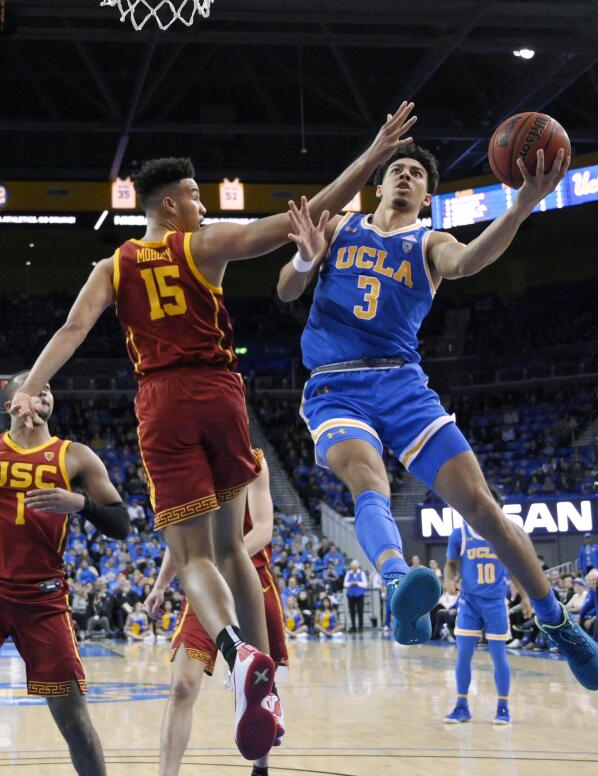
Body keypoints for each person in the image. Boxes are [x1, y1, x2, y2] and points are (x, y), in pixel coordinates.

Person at [11, 102, 417, 759]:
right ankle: (263, 686)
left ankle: (236, 655)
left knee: (195, 557)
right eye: (195, 197)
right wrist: (369, 157)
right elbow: (303, 218)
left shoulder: (111, 267)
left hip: (162, 401)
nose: (201, 205)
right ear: (169, 204)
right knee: (233, 553)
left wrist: (30, 383)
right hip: (223, 396)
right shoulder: (205, 246)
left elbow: (71, 331)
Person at [278, 136, 598, 690]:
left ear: (428, 195)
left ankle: (558, 621)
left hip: (403, 385)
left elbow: (468, 262)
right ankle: (397, 582)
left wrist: (523, 203)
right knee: (367, 477)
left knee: (482, 506)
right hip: (336, 386)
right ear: (379, 185)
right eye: (397, 170)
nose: (405, 176)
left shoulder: (430, 241)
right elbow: (288, 291)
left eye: (415, 173)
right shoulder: (339, 226)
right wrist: (304, 257)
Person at [0, 373, 130, 776]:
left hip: (43, 601)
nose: (42, 391)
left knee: (74, 721)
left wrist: (80, 503)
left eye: (47, 388)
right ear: (10, 403)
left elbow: (120, 524)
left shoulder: (76, 456)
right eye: (31, 386)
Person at [145, 454, 288, 776]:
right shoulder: (185, 462)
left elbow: (263, 530)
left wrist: (223, 560)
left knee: (261, 685)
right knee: (181, 686)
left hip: (251, 578)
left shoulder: (253, 460)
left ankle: (260, 769)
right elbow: (182, 539)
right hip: (204, 587)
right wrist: (160, 585)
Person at [443, 491, 530, 725]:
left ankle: (503, 707)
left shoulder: (503, 534)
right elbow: (450, 564)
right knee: (463, 654)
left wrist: (525, 598)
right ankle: (461, 705)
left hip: (495, 603)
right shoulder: (459, 533)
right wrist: (448, 581)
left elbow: (515, 569)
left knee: (498, 655)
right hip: (469, 602)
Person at [343, 559, 368, 633]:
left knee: (360, 610)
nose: (354, 569)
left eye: (355, 567)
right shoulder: (348, 573)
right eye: (353, 567)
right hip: (350, 594)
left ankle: (360, 627)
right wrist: (351, 583)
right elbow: (345, 584)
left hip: (359, 594)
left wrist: (357, 583)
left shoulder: (361, 573)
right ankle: (353, 626)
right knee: (352, 611)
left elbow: (365, 584)